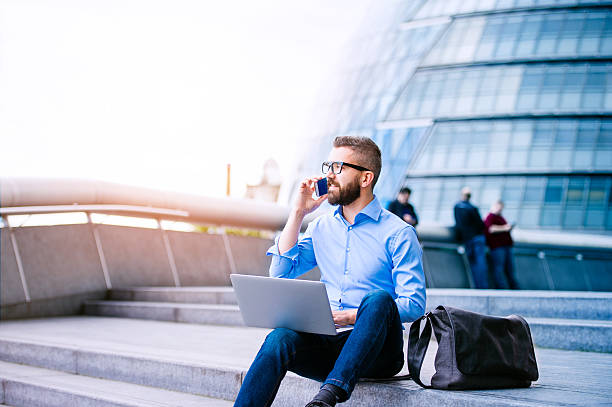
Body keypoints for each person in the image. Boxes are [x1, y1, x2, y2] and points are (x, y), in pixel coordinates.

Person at [234, 136, 426, 407]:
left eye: (338, 167)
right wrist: (298, 212)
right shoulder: (321, 227)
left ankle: (327, 397)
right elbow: (280, 274)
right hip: (329, 345)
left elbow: (414, 304)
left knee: (379, 299)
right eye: (328, 166)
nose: (329, 176)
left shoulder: (399, 233)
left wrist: (352, 316)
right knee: (279, 338)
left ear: (365, 178)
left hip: (378, 352)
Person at [453, 187, 489, 289]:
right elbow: (480, 224)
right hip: (477, 238)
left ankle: (477, 286)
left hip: (467, 238)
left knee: (472, 263)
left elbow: (458, 223)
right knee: (480, 263)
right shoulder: (473, 208)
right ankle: (482, 286)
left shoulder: (457, 207)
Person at [484, 200, 519, 289]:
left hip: (506, 246)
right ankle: (500, 287)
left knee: (509, 269)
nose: (500, 210)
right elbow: (490, 229)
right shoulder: (490, 217)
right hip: (497, 247)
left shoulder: (501, 217)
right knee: (498, 268)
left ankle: (513, 287)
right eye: (499, 208)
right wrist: (505, 228)